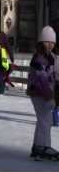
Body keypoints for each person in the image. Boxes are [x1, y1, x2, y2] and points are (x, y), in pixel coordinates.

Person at [26, 26, 59, 161]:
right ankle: (43, 147)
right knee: (45, 120)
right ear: (41, 42)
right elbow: (41, 79)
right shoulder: (39, 58)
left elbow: (55, 76)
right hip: (39, 93)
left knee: (44, 120)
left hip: (46, 93)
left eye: (52, 42)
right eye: (47, 42)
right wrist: (49, 95)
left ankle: (38, 147)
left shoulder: (51, 57)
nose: (50, 45)